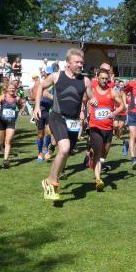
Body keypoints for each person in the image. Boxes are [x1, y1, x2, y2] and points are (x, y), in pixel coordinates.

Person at [35, 48, 91, 201]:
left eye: (81, 62)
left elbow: (91, 96)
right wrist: (36, 107)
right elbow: (40, 87)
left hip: (74, 121)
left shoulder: (85, 80)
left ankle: (49, 180)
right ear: (68, 63)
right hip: (57, 117)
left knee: (66, 153)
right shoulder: (56, 76)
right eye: (77, 62)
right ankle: (52, 182)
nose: (80, 65)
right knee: (64, 148)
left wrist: (93, 102)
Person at [87, 68, 125, 190]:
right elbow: (83, 101)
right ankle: (98, 179)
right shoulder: (92, 91)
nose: (104, 80)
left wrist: (114, 113)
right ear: (97, 78)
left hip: (108, 128)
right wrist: (84, 112)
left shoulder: (112, 92)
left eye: (106, 79)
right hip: (95, 126)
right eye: (102, 78)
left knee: (104, 153)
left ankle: (92, 158)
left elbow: (122, 105)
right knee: (98, 152)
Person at [0, 81, 26, 168]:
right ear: (7, 89)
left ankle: (6, 160)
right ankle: (0, 144)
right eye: (10, 88)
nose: (12, 90)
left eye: (13, 88)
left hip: (11, 122)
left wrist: (22, 110)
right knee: (1, 141)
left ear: (15, 89)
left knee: (8, 141)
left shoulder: (17, 98)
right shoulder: (3, 96)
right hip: (1, 121)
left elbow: (21, 106)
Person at [31, 73, 54, 162]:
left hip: (49, 112)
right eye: (47, 75)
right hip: (40, 111)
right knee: (40, 135)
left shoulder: (56, 85)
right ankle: (40, 152)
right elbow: (32, 97)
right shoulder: (41, 84)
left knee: (49, 132)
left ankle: (46, 148)